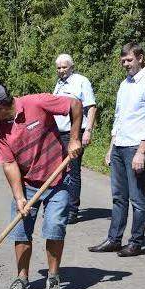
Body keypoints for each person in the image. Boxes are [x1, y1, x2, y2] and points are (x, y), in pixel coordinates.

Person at [0, 83, 82, 289]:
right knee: (21, 231)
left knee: (54, 227)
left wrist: (74, 138)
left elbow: (75, 104)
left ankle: (53, 277)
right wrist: (19, 197)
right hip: (27, 183)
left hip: (57, 178)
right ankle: (22, 278)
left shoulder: (36, 103)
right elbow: (9, 163)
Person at [89, 42, 145, 257]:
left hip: (136, 148)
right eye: (123, 60)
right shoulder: (124, 84)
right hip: (119, 146)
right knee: (118, 196)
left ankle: (135, 242)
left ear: (140, 58)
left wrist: (141, 151)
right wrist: (111, 147)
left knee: (137, 198)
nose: (125, 64)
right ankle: (114, 239)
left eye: (129, 60)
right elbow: (118, 118)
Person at [51, 54, 97, 223]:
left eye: (64, 67)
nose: (61, 70)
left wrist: (88, 132)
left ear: (71, 67)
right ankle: (61, 207)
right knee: (60, 172)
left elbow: (91, 107)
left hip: (74, 133)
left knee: (73, 171)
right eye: (59, 68)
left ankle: (72, 210)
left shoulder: (81, 81)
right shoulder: (59, 84)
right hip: (59, 133)